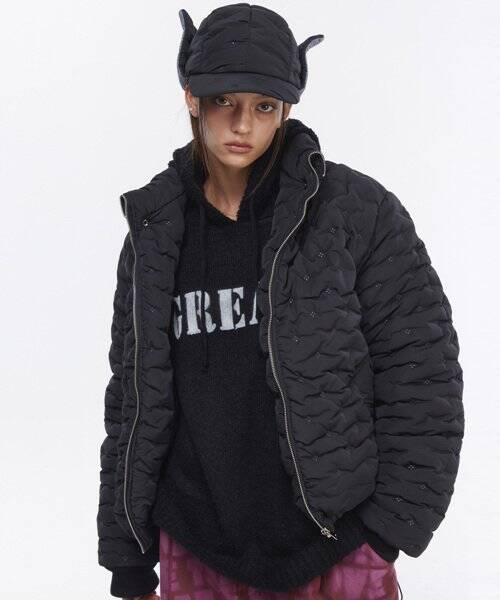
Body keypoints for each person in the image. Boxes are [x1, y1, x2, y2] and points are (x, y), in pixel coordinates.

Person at [96, 4, 465, 600]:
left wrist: (388, 530)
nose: (243, 124)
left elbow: (422, 373)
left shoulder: (355, 213)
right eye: (224, 101)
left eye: (264, 106)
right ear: (191, 98)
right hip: (195, 545)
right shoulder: (154, 232)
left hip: (335, 541)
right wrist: (128, 556)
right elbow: (131, 404)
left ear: (287, 110)